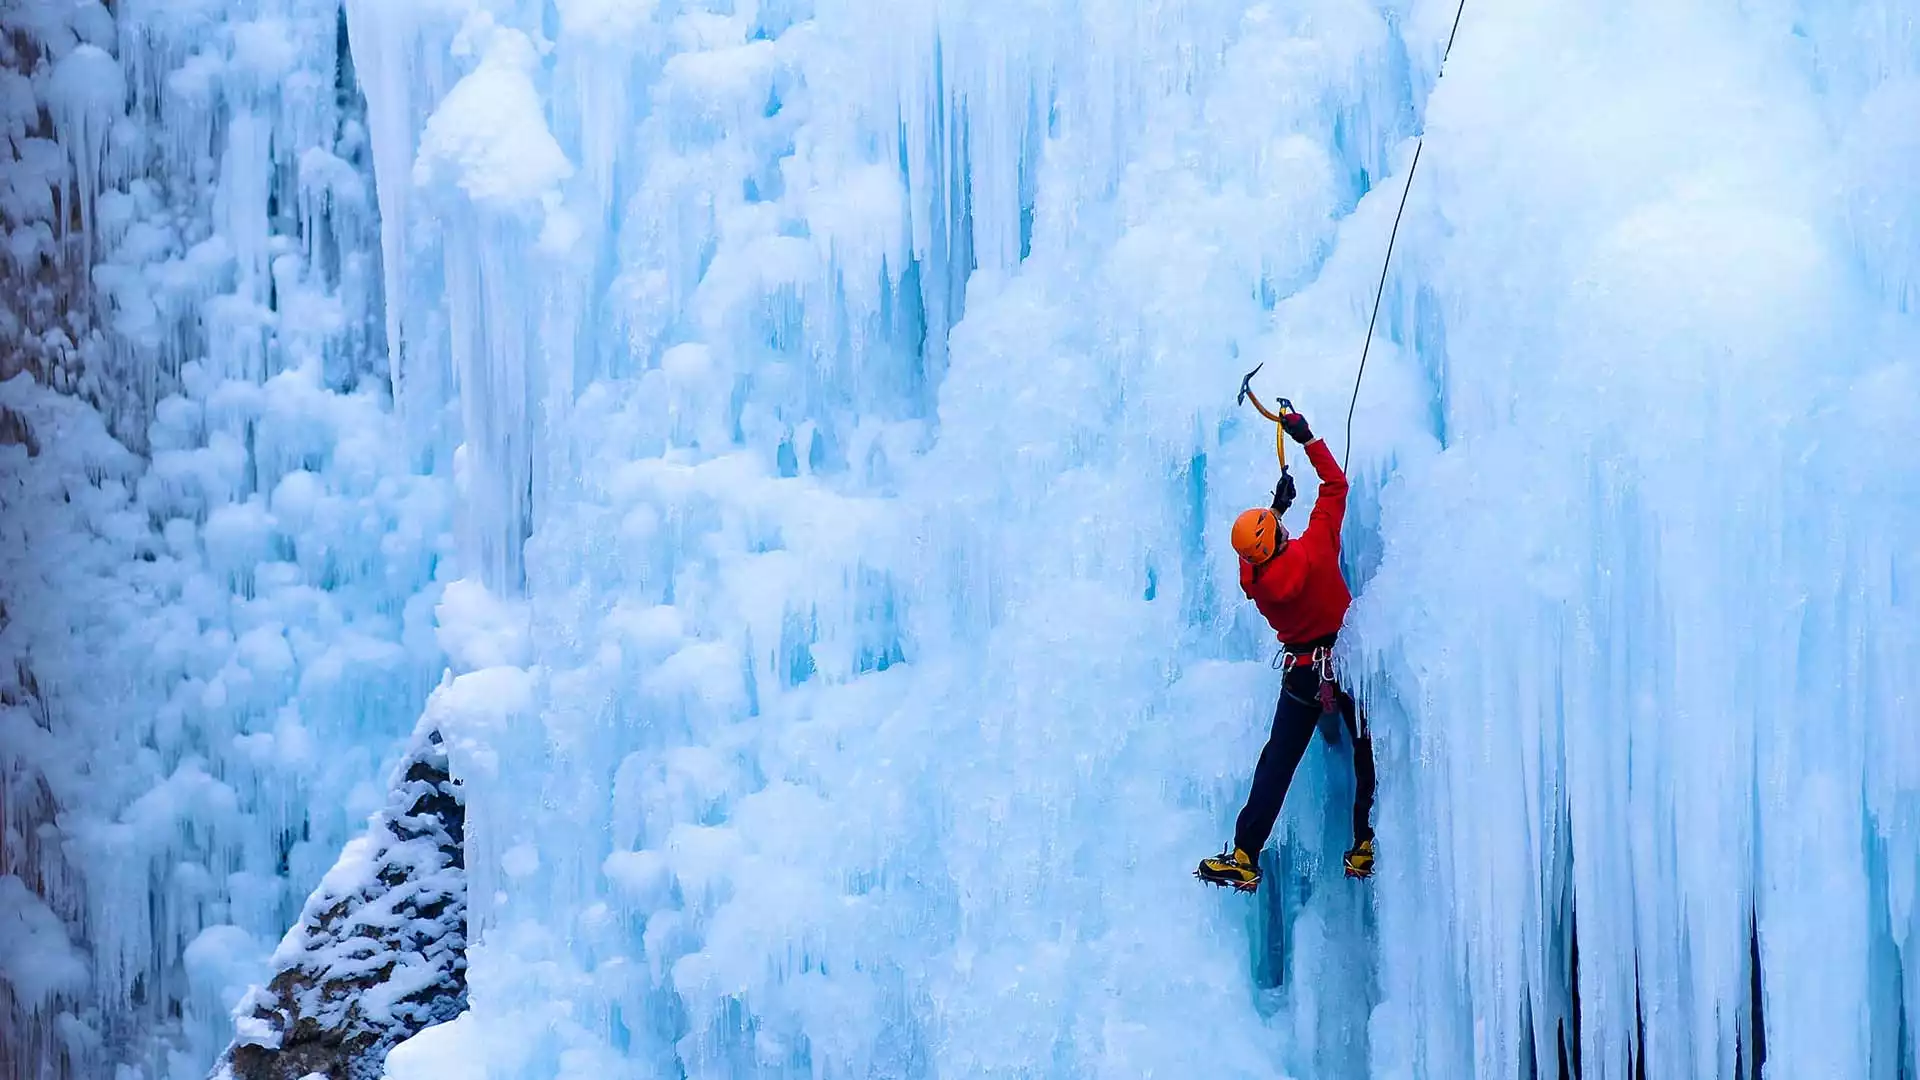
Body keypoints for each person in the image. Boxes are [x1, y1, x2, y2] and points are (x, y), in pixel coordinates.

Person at [1196, 408, 1376, 892]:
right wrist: (1307, 437)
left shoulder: (1256, 582)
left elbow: (1255, 560)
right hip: (1346, 661)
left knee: (1277, 761)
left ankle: (1244, 854)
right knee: (1364, 750)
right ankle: (1362, 842)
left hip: (1302, 675)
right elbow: (1335, 486)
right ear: (1279, 540)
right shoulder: (1316, 549)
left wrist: (1274, 512)